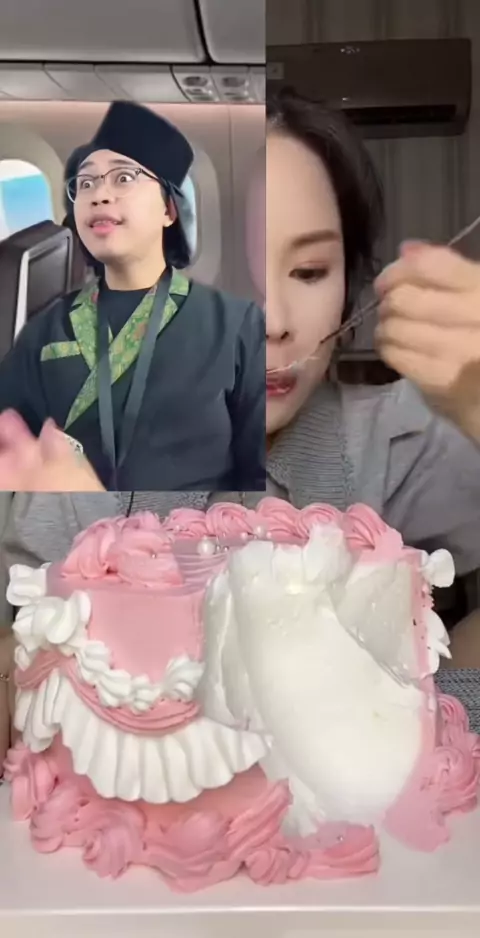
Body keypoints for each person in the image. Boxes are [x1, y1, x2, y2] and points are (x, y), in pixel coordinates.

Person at [0, 101, 266, 493]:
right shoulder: (45, 331)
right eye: (85, 183)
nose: (99, 195)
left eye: (123, 177)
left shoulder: (238, 326)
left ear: (169, 210)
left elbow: (261, 483)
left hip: (196, 530)